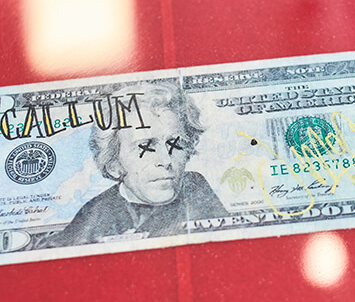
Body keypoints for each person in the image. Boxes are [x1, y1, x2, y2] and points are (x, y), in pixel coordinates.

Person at [44, 82, 227, 246]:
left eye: (174, 143)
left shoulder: (196, 188)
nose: (165, 161)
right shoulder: (93, 217)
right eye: (145, 147)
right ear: (114, 164)